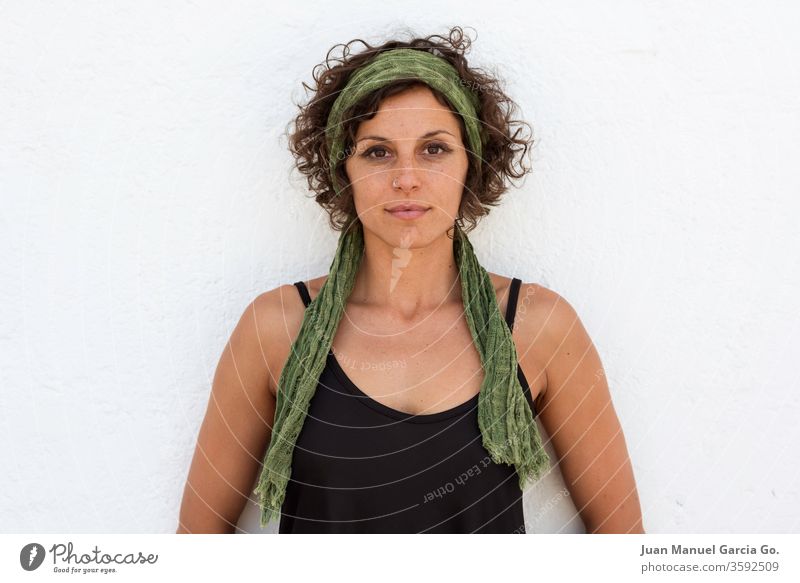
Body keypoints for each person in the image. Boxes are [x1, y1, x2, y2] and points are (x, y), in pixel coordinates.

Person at [176, 26, 644, 534]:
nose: (406, 178)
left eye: (434, 149)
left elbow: (623, 547)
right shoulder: (274, 330)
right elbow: (197, 549)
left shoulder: (538, 325)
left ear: (472, 163)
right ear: (342, 169)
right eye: (377, 151)